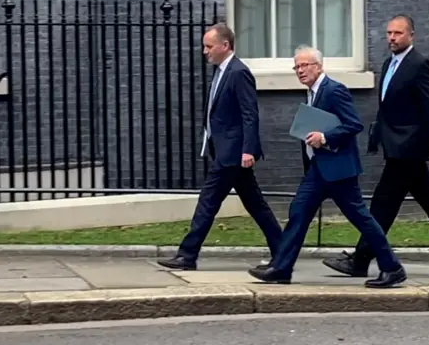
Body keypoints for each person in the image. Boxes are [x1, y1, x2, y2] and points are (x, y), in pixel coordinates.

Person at [322, 15, 429, 278]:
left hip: (409, 148)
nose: (392, 38)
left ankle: (361, 259)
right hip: (396, 146)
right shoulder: (389, 63)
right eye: (389, 33)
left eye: (398, 33)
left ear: (411, 35)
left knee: (383, 204)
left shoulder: (420, 64)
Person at [247, 45, 407, 288]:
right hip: (318, 169)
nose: (300, 71)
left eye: (304, 65)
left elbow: (353, 125)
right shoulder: (312, 92)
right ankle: (281, 268)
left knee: (362, 219)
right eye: (296, 67)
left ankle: (392, 267)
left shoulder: (334, 90)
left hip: (338, 170)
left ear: (319, 66)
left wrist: (324, 138)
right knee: (298, 213)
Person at [157, 24, 282, 271]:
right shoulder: (222, 71)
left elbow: (250, 114)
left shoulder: (238, 72)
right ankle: (283, 251)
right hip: (226, 151)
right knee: (256, 205)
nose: (205, 51)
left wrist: (248, 149)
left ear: (225, 46)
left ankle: (187, 255)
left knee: (208, 202)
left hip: (232, 154)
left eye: (209, 46)